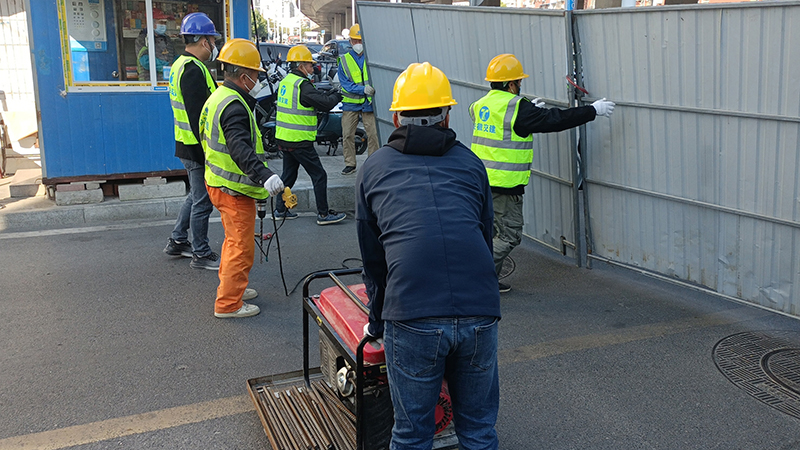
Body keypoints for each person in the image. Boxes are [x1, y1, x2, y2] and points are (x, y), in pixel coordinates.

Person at [357, 62, 501, 450]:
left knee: (412, 433)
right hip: (479, 308)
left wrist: (377, 319)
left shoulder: (374, 167)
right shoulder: (471, 163)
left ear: (396, 117)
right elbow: (483, 238)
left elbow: (374, 259)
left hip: (413, 311)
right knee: (479, 430)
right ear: (447, 115)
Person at [470, 53, 615, 293]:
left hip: (481, 182)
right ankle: (475, 282)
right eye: (519, 82)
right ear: (511, 84)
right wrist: (592, 110)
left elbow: (501, 125)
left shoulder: (481, 104)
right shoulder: (517, 107)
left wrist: (530, 113)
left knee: (493, 233)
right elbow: (554, 120)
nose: (520, 86)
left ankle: (487, 282)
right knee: (509, 236)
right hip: (505, 185)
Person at [199, 38, 285, 319]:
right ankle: (228, 303)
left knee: (232, 242)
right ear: (244, 74)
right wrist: (265, 176)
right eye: (256, 74)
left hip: (219, 182)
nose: (258, 80)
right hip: (233, 188)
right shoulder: (234, 105)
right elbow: (239, 148)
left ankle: (233, 287)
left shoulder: (219, 96)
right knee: (240, 247)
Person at [163, 12, 222, 270]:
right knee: (202, 201)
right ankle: (201, 252)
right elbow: (200, 117)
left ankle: (177, 240)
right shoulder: (193, 70)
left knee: (194, 196)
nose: (214, 45)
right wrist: (209, 150)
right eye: (213, 40)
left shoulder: (180, 64)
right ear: (203, 41)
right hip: (196, 147)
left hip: (185, 143)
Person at [272, 45, 346, 225]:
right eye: (310, 65)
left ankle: (280, 209)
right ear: (301, 66)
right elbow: (325, 104)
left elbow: (311, 98)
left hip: (285, 138)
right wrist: (337, 96)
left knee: (288, 175)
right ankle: (323, 214)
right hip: (299, 140)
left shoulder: (287, 81)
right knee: (319, 175)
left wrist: (327, 94)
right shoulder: (302, 85)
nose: (313, 69)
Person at [337, 23, 379, 175]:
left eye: (360, 40)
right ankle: (350, 164)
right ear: (350, 41)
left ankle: (373, 163)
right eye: (355, 40)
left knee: (373, 135)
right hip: (351, 104)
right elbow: (345, 84)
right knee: (347, 134)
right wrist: (363, 90)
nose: (358, 43)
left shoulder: (371, 58)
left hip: (368, 103)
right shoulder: (344, 60)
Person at [135, 15, 176, 81]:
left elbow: (174, 56)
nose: (163, 25)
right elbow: (145, 61)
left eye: (165, 23)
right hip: (149, 81)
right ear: (152, 23)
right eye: (161, 22)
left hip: (168, 81)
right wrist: (166, 66)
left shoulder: (167, 39)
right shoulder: (143, 40)